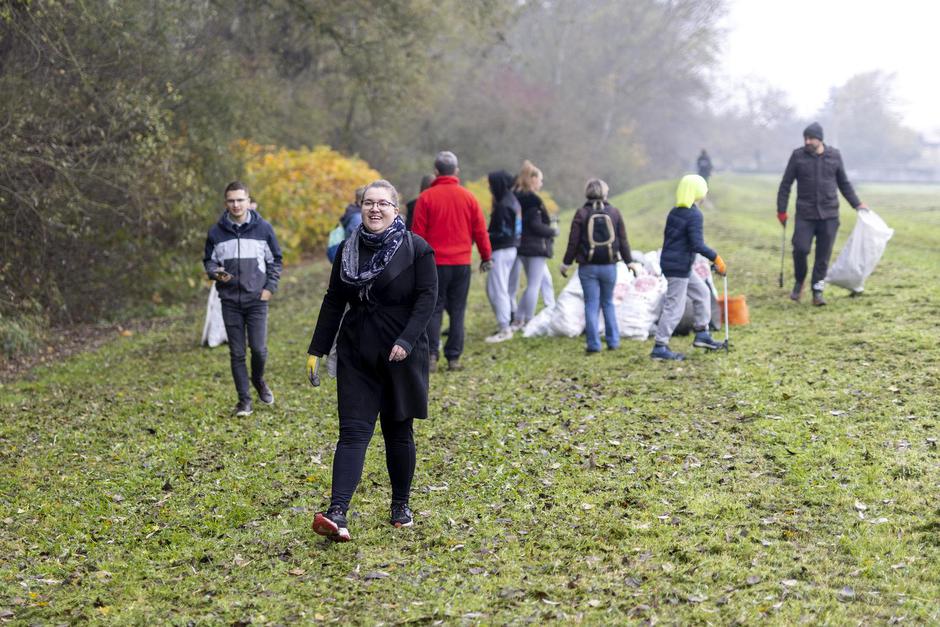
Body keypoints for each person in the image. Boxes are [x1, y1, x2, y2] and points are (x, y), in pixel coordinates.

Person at [306, 180, 438, 542]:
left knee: (398, 431)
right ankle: (337, 512)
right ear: (360, 208)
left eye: (382, 203)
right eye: (368, 203)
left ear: (396, 209)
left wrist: (407, 340)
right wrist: (317, 348)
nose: (375, 209)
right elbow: (334, 300)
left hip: (400, 352)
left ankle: (400, 505)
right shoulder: (348, 250)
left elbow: (427, 298)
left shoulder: (416, 249)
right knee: (352, 432)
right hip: (356, 350)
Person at [203, 181, 283, 416]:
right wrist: (214, 272)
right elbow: (209, 261)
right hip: (229, 301)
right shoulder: (216, 232)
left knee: (258, 350)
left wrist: (270, 288)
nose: (236, 205)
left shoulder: (264, 228)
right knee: (237, 353)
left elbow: (275, 260)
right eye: (231, 200)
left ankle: (258, 380)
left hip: (257, 299)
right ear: (225, 203)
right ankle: (244, 401)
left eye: (240, 200)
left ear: (248, 201)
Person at [411, 151, 492, 371]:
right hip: (461, 264)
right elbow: (480, 231)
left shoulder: (426, 198)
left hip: (434, 264)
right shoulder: (468, 197)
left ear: (436, 171)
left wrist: (416, 262)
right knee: (458, 310)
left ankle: (431, 356)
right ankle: (454, 357)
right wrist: (486, 256)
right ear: (456, 171)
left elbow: (418, 234)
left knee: (433, 309)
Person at [777, 122, 868, 306]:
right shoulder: (797, 156)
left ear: (820, 139)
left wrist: (857, 204)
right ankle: (799, 281)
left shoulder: (834, 155)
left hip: (829, 215)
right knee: (800, 249)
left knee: (822, 256)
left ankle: (817, 291)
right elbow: (786, 184)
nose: (807, 141)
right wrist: (781, 210)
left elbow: (844, 183)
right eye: (805, 138)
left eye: (811, 138)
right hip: (805, 214)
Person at [560, 179, 641, 353]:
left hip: (587, 267)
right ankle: (613, 341)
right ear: (605, 193)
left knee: (591, 304)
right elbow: (623, 240)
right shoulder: (614, 212)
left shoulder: (581, 214)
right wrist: (629, 262)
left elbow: (573, 242)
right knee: (608, 303)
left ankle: (594, 344)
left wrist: (566, 263)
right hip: (609, 266)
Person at [651, 174, 726, 361]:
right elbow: (697, 244)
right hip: (678, 267)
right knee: (674, 307)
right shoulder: (694, 215)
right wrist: (716, 258)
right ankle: (660, 346)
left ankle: (702, 334)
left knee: (702, 292)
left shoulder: (674, 211)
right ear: (697, 192)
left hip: (677, 264)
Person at [511, 160, 556, 329]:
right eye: (540, 180)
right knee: (534, 285)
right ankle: (529, 320)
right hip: (535, 247)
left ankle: (519, 318)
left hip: (521, 246)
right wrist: (552, 231)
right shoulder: (532, 200)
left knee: (534, 282)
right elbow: (535, 225)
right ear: (533, 179)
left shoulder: (516, 197)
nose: (541, 183)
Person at [483, 170, 522, 343]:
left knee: (496, 289)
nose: (489, 187)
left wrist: (485, 235)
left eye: (491, 184)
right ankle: (511, 320)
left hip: (502, 250)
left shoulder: (503, 205)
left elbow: (502, 232)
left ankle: (505, 328)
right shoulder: (513, 200)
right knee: (503, 288)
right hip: (512, 249)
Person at [327, 186, 365, 262]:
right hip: (353, 258)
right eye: (369, 201)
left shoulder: (351, 212)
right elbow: (358, 241)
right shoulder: (357, 218)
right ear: (361, 201)